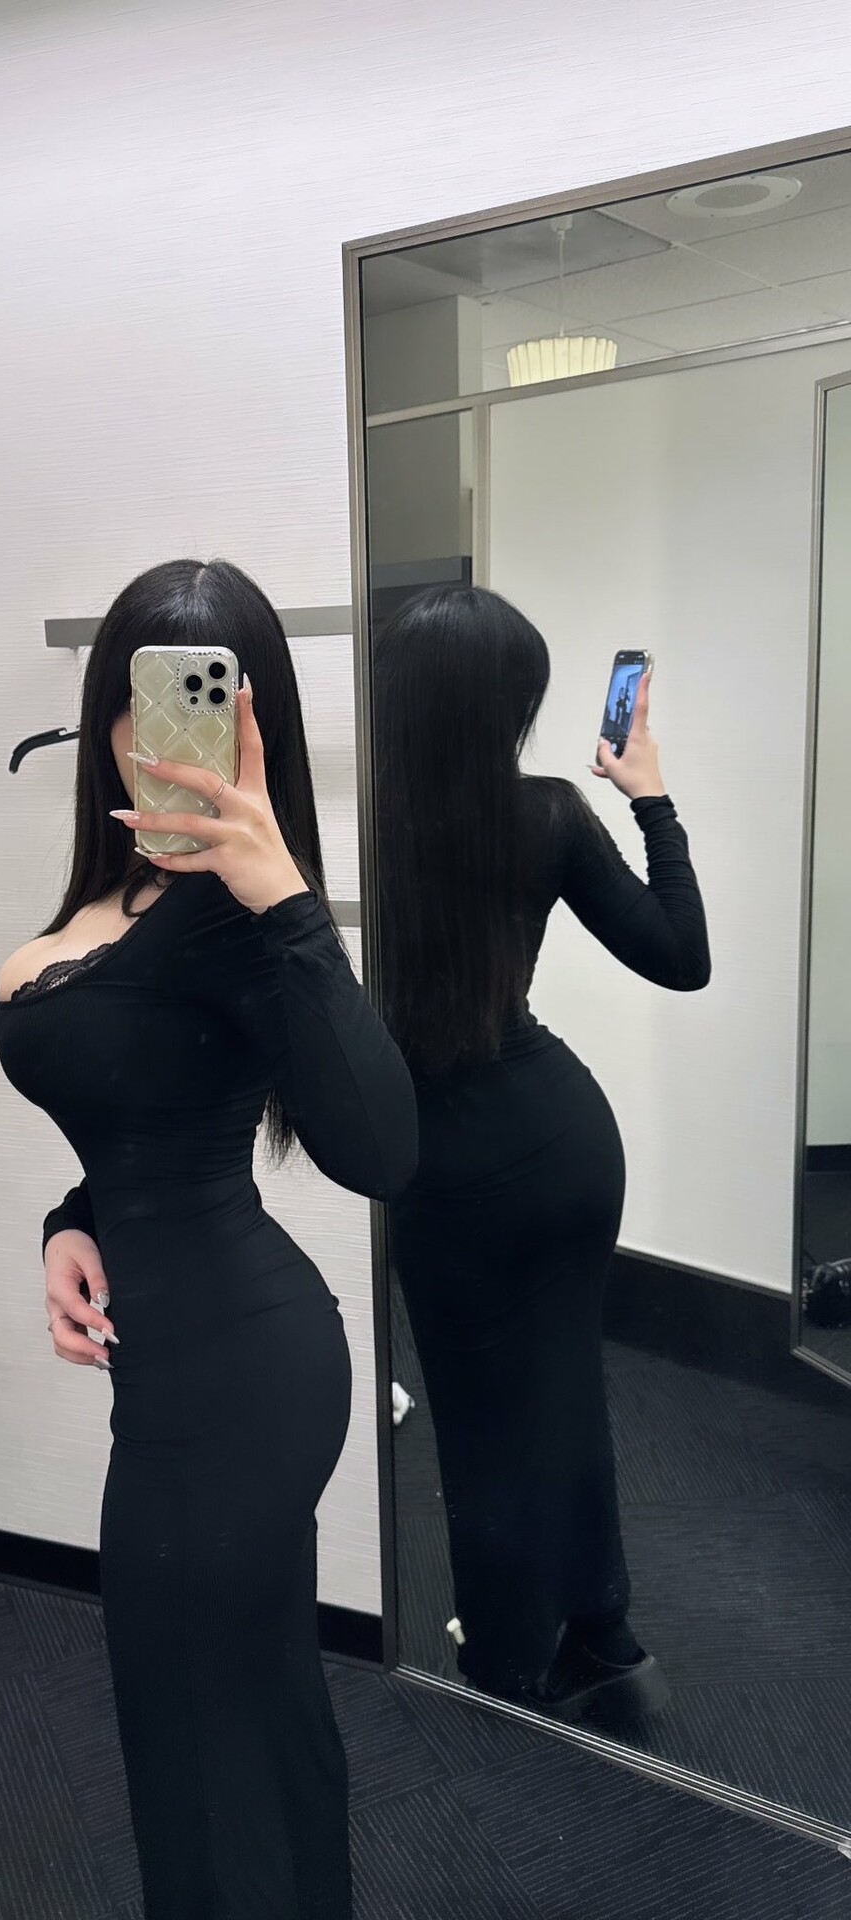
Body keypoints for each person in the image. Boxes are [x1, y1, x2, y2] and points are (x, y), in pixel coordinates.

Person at [0, 558, 417, 1920]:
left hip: (243, 1373)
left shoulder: (248, 923)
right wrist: (72, 1220)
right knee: (226, 1701)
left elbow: (380, 1151)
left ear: (252, 726)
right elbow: (137, 1109)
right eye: (137, 705)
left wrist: (286, 893)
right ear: (106, 719)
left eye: (198, 706)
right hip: (176, 1358)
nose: (157, 741)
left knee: (199, 1710)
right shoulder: (115, 900)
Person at [374, 584, 710, 1729]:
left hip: (450, 1168)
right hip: (565, 1144)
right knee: (564, 1390)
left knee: (480, 1421)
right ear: (507, 705)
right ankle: (602, 1624)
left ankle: (511, 1653)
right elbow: (681, 955)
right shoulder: (548, 814)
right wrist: (651, 796)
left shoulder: (361, 827)